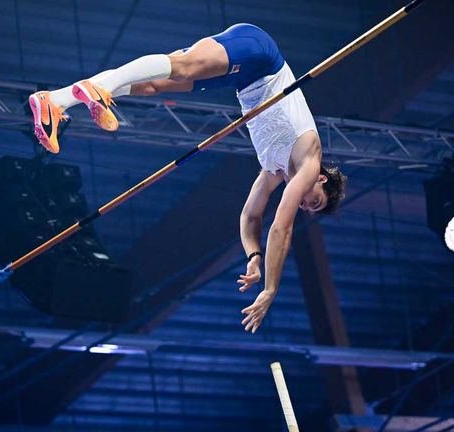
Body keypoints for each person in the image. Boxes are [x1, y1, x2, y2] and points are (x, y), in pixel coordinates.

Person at [27, 23, 346, 333]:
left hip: (243, 79)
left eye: (308, 208)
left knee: (153, 84)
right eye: (314, 200)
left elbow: (250, 216)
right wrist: (270, 289)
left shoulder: (273, 171)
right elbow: (280, 227)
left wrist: (254, 256)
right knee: (181, 68)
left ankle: (56, 100)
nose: (304, 202)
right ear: (320, 180)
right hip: (261, 58)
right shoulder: (309, 160)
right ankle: (100, 90)